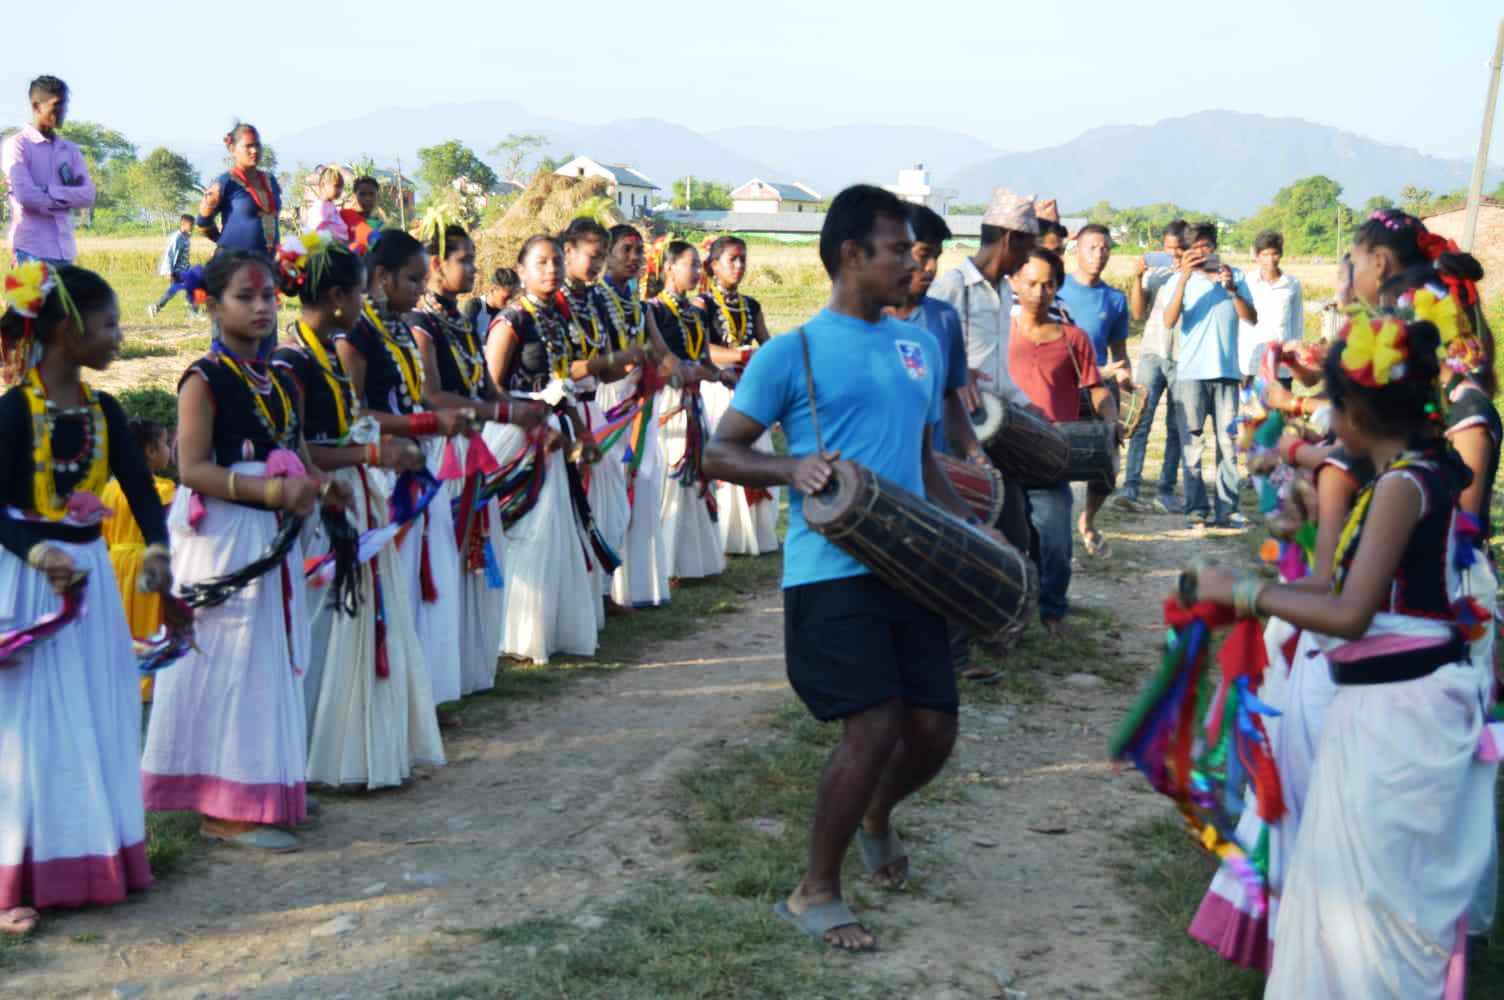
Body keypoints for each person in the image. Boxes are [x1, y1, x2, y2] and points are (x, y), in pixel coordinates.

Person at [704, 184, 982, 952]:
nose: (910, 263)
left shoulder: (918, 346)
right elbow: (719, 450)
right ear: (851, 255)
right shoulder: (789, 352)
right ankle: (814, 889)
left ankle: (875, 814)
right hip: (828, 571)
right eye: (895, 249)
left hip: (914, 569)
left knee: (934, 730)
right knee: (875, 723)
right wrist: (790, 467)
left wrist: (970, 540)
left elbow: (924, 462)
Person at [1191, 315, 1495, 997]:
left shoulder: (1398, 487)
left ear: (1354, 414)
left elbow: (1351, 613)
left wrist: (1246, 593)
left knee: (1365, 908)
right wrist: (1247, 595)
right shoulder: (1417, 471)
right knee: (1363, 893)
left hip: (1394, 718)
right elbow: (1340, 588)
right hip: (1398, 710)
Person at [143, 251, 346, 851]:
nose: (262, 307)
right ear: (211, 304)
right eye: (245, 297)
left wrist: (323, 489)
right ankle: (222, 805)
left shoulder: (282, 377)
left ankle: (265, 781)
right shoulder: (202, 379)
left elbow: (298, 446)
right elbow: (193, 467)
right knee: (228, 661)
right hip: (223, 535)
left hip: (272, 533)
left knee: (271, 657)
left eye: (268, 297)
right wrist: (267, 490)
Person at [0, 262, 170, 932]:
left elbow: (135, 487)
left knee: (96, 715)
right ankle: (18, 875)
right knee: (27, 727)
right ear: (68, 331)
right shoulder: (13, 413)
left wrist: (157, 552)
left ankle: (92, 857)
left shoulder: (105, 411)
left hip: (90, 585)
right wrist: (35, 551)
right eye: (109, 324)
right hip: (28, 584)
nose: (119, 337)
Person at [270, 236, 445, 790]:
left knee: (359, 622)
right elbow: (300, 450)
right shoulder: (292, 362)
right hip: (324, 503)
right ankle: (319, 754)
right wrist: (370, 453)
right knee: (327, 628)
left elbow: (348, 427)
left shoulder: (323, 352)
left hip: (354, 493)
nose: (368, 298)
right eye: (363, 288)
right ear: (342, 296)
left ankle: (350, 752)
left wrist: (383, 448)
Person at [337, 231, 474, 716]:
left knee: (427, 578)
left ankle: (422, 694)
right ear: (381, 277)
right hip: (379, 474)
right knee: (394, 585)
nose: (420, 288)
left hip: (416, 464)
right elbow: (352, 417)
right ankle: (390, 698)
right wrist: (420, 422)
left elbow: (417, 397)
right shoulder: (357, 334)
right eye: (413, 279)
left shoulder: (396, 328)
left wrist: (431, 423)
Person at [410, 222, 551, 685]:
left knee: (474, 557)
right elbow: (433, 396)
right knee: (445, 560)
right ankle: (437, 678)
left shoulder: (457, 321)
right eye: (463, 260)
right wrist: (506, 414)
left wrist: (515, 408)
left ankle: (466, 670)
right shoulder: (421, 326)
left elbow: (483, 386)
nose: (472, 268)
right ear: (435, 265)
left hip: (472, 446)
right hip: (440, 453)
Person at [885, 203, 1000, 682]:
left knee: (949, 553)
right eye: (922, 254)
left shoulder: (943, 320)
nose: (930, 269)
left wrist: (974, 453)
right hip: (886, 468)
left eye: (936, 257)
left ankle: (954, 657)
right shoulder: (871, 322)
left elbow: (954, 397)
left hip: (939, 466)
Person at [483, 234, 603, 663]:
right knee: (525, 531)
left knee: (556, 528)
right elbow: (490, 389)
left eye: (555, 262)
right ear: (521, 271)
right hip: (518, 433)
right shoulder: (511, 320)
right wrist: (530, 418)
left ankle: (549, 630)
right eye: (540, 263)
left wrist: (576, 430)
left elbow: (561, 382)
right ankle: (515, 633)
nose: (551, 270)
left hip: (552, 430)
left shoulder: (557, 317)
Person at [1010, 249, 1117, 634]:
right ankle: (1010, 615)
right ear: (1014, 283)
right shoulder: (997, 335)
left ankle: (1053, 612)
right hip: (1003, 456)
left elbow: (1096, 388)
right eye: (1032, 282)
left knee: (1056, 542)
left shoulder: (1074, 339)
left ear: (1058, 287)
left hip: (1053, 456)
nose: (1039, 291)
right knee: (1010, 541)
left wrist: (1110, 422)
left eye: (1049, 284)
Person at [927, 188, 1039, 554]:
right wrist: (956, 374)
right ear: (1009, 239)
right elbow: (929, 355)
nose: (1027, 258)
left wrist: (1028, 405)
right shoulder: (952, 287)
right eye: (1026, 247)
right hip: (957, 429)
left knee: (1014, 524)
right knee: (964, 526)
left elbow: (999, 370)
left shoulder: (1006, 293)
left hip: (999, 427)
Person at [557, 217, 640, 614]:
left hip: (595, 409)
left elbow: (603, 368)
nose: (596, 265)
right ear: (568, 251)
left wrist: (630, 366)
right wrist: (609, 361)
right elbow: (561, 370)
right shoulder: (553, 301)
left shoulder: (594, 300)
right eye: (592, 256)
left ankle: (601, 593)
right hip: (563, 409)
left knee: (611, 503)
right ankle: (578, 600)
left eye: (602, 257)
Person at [596, 225, 674, 609]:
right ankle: (604, 589)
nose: (633, 258)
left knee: (641, 487)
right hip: (604, 403)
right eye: (625, 249)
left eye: (638, 251)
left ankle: (635, 586)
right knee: (607, 493)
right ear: (607, 253)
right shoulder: (594, 301)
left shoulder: (640, 306)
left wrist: (685, 372)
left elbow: (660, 350)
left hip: (637, 407)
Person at [1163, 222, 1256, 528]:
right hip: (1191, 374)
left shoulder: (1235, 275)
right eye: (1195, 247)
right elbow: (1169, 320)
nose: (1202, 252)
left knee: (1228, 444)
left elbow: (1251, 318)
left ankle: (1227, 510)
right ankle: (1196, 508)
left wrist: (1231, 290)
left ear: (1215, 246)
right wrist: (1184, 278)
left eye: (1207, 246)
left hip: (1228, 372)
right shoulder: (1181, 280)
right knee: (1192, 443)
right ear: (1187, 251)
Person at [648, 241, 730, 582]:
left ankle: (694, 562)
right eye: (690, 265)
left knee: (694, 477)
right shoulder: (653, 310)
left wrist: (723, 375)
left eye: (699, 266)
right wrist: (689, 372)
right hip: (667, 404)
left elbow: (706, 361)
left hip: (693, 400)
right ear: (668, 268)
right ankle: (668, 565)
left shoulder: (695, 312)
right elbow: (661, 361)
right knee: (671, 477)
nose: (697, 272)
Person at [699, 235, 779, 557]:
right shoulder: (701, 305)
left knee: (756, 458)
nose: (739, 265)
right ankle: (727, 537)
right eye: (732, 259)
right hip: (717, 389)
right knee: (726, 462)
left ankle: (757, 537)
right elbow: (700, 349)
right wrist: (741, 356)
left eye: (743, 259)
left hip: (749, 390)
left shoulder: (751, 305)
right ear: (714, 265)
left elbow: (767, 344)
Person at [1057, 224, 1130, 557]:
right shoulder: (1056, 291)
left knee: (1107, 466)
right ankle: (1054, 527)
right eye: (1092, 248)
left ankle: (1088, 521)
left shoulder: (1115, 299)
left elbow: (1120, 353)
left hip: (1100, 390)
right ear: (1076, 249)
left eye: (1105, 249)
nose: (1099, 254)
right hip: (1061, 388)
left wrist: (1127, 379)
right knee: (1057, 458)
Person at [100, 417, 177, 712]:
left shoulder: (109, 489)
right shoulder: (163, 489)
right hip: (147, 561)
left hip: (115, 563)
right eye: (165, 444)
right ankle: (147, 684)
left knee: (120, 623)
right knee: (148, 623)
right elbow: (168, 528)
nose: (169, 451)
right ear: (149, 450)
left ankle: (117, 680)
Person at [1117, 220, 1188, 514]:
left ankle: (1166, 489)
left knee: (1176, 424)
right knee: (1140, 419)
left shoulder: (1198, 271)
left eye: (1180, 249)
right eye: (1169, 248)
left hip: (1184, 356)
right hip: (1151, 351)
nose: (1174, 255)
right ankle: (1131, 485)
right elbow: (1136, 313)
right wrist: (1137, 278)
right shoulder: (1156, 269)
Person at [2, 76, 94, 267]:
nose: (63, 112)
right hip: (29, 252)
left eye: (65, 105)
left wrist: (47, 191)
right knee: (26, 299)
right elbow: (26, 196)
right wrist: (68, 198)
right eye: (57, 105)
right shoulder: (18, 146)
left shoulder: (69, 150)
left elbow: (87, 195)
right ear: (36, 107)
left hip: (64, 252)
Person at [197, 123, 281, 257]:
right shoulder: (224, 183)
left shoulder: (271, 181)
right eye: (248, 146)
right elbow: (203, 222)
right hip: (232, 267)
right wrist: (223, 241)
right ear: (232, 149)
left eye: (257, 145)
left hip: (265, 266)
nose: (254, 151)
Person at [1239, 230, 1303, 386]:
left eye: (1274, 254)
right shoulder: (1246, 282)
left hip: (1281, 364)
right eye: (1265, 254)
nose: (1270, 260)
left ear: (1280, 254)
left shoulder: (1292, 284)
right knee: (1251, 409)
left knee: (1279, 410)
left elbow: (1297, 325)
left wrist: (1295, 358)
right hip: (1250, 363)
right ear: (1257, 255)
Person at [148, 215, 198, 318]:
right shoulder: (177, 237)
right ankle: (193, 312)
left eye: (193, 224)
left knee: (174, 290)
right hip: (177, 271)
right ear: (183, 224)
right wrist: (168, 271)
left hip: (184, 269)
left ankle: (156, 307)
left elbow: (183, 257)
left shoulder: (185, 237)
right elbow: (169, 254)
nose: (193, 227)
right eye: (191, 224)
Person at [306, 167, 351, 243]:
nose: (339, 190)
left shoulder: (331, 206)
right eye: (336, 186)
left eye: (341, 187)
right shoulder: (320, 208)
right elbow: (318, 230)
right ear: (323, 185)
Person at [471, 266, 519, 337]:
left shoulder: (507, 314)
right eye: (506, 297)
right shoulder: (474, 307)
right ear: (493, 289)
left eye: (512, 298)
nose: (510, 302)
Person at [340, 176, 383, 255]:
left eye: (371, 194)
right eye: (362, 194)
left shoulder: (379, 225)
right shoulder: (343, 216)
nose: (368, 198)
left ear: (377, 196)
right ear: (354, 196)